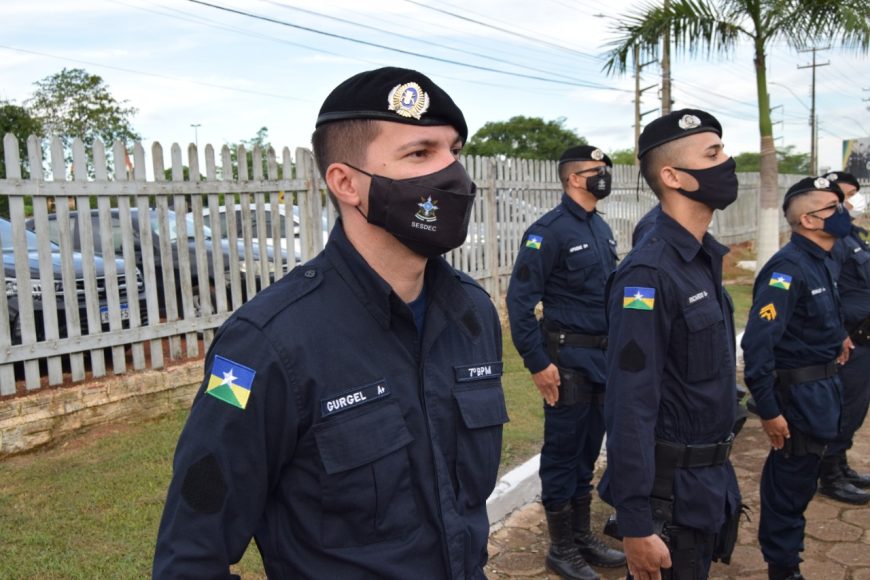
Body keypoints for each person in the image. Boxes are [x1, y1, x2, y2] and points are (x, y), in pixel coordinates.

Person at [152, 67, 508, 579]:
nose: (454, 174)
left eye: (454, 151)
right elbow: (191, 553)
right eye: (420, 153)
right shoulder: (267, 344)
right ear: (345, 183)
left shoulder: (472, 313)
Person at [600, 109, 743, 580]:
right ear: (673, 176)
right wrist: (637, 524)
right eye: (713, 153)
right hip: (670, 500)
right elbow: (629, 402)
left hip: (705, 484)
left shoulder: (699, 256)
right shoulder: (650, 273)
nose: (728, 161)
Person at [507, 145, 626, 579]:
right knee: (563, 453)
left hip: (602, 359)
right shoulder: (548, 231)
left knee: (588, 451)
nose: (604, 176)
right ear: (575, 178)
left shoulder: (600, 228)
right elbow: (520, 304)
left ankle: (581, 537)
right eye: (597, 171)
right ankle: (560, 549)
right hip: (567, 361)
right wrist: (538, 364)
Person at [742, 176, 852, 579]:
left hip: (824, 389)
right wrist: (769, 410)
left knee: (803, 481)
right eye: (833, 209)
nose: (844, 213)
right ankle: (783, 569)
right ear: (808, 220)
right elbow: (757, 346)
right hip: (800, 396)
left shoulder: (822, 259)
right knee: (788, 490)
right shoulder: (787, 268)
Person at [820, 171, 870, 504]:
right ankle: (829, 475)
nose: (854, 201)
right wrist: (838, 333)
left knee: (855, 408)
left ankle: (841, 463)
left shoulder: (853, 235)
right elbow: (828, 290)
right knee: (842, 408)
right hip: (848, 339)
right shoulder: (833, 241)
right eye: (848, 195)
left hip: (863, 337)